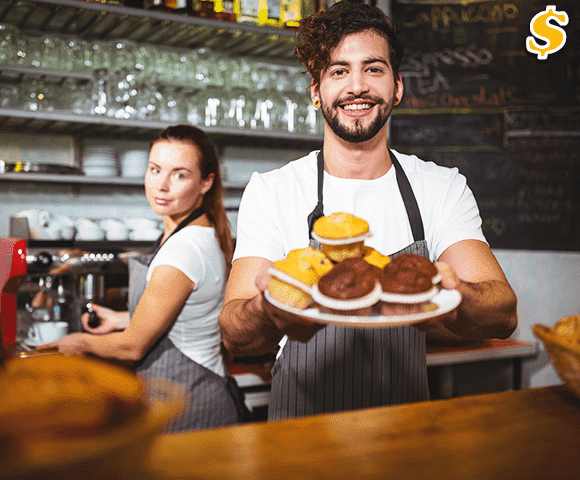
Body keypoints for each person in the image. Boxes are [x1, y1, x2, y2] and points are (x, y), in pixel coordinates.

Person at [218, 2, 518, 421]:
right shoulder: (273, 190)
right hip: (300, 430)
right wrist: (268, 308)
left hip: (403, 430)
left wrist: (455, 294)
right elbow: (234, 332)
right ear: (316, 91)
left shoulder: (440, 186)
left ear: (397, 86)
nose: (356, 86)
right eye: (338, 71)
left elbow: (503, 313)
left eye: (373, 69)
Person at [40, 125, 248, 432]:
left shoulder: (183, 250)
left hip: (191, 404)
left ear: (205, 182)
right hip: (197, 391)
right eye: (155, 170)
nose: (161, 185)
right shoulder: (197, 231)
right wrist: (124, 318)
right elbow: (189, 314)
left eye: (179, 174)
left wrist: (78, 342)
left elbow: (132, 347)